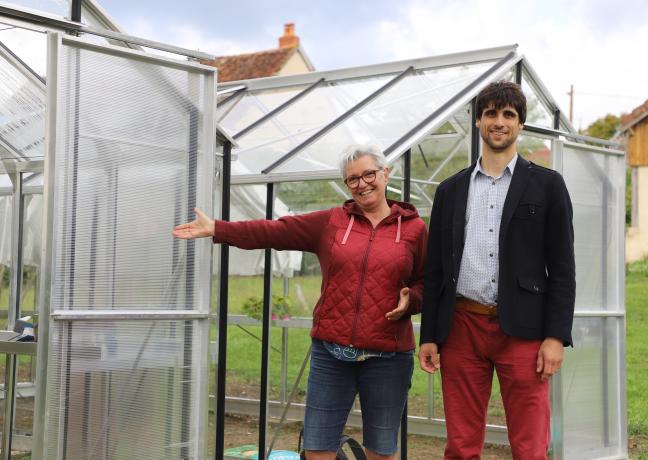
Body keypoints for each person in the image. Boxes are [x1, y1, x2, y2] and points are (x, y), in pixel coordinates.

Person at [173, 145, 427, 460]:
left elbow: (426, 281)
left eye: (369, 174)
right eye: (352, 179)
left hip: (387, 356)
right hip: (331, 354)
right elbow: (274, 231)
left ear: (385, 173)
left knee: (382, 450)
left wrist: (412, 298)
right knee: (318, 448)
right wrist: (218, 229)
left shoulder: (414, 229)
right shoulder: (331, 223)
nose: (362, 184)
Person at [418, 81, 575, 459]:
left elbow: (563, 268)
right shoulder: (450, 191)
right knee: (460, 443)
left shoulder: (548, 185)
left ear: (520, 124)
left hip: (523, 329)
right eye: (490, 113)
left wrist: (555, 336)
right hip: (462, 328)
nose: (499, 122)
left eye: (508, 114)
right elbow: (436, 270)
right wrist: (430, 335)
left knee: (530, 442)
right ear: (478, 122)